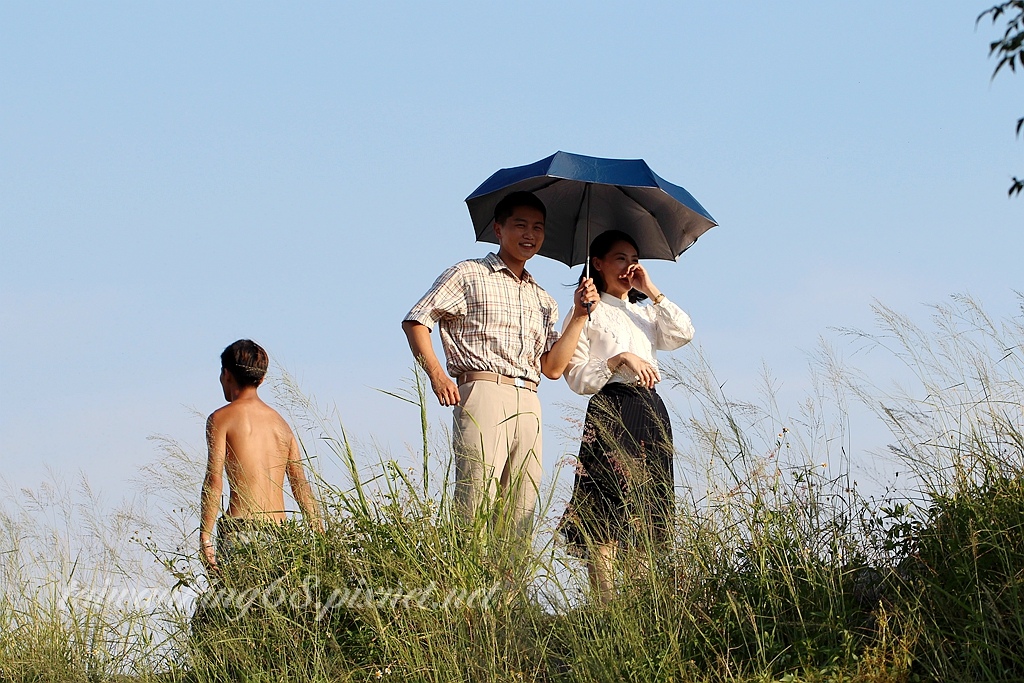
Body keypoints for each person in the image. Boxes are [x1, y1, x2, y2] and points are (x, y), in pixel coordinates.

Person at [402, 191, 599, 539]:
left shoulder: (544, 298)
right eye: (520, 225)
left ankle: (509, 593)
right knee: (476, 496)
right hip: (483, 389)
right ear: (498, 228)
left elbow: (552, 368)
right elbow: (417, 320)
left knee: (522, 506)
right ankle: (469, 586)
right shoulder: (468, 274)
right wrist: (436, 374)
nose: (530, 234)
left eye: (538, 227)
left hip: (529, 398)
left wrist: (579, 317)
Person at [559, 230, 694, 603]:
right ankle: (605, 605)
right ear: (598, 263)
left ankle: (638, 604)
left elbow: (683, 333)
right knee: (605, 503)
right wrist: (616, 360)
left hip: (650, 409)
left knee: (647, 506)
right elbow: (575, 376)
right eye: (620, 258)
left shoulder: (643, 314)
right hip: (611, 407)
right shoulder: (587, 313)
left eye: (634, 259)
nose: (629, 266)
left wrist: (651, 288)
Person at [200, 339, 323, 573]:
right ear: (262, 379)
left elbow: (214, 481)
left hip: (241, 530)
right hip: (281, 535)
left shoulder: (220, 419)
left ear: (226, 374)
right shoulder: (281, 425)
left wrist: (205, 536)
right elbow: (300, 484)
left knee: (235, 604)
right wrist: (318, 532)